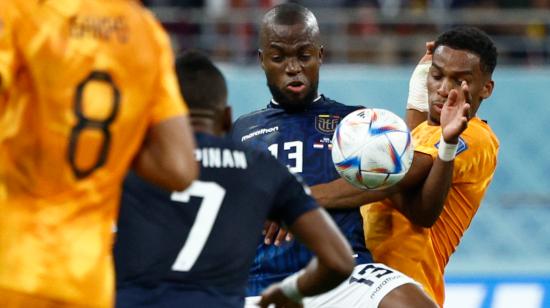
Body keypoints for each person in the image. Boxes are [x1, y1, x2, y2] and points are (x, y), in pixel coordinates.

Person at [231, 3, 469, 307]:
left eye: (304, 56)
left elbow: (419, 209)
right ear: (263, 61)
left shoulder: (358, 124)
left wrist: (445, 144)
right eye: (279, 58)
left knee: (411, 301)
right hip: (262, 283)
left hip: (347, 276)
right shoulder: (242, 130)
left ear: (320, 55)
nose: (293, 67)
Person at [114, 50, 355, 308]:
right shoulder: (264, 169)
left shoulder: (126, 166)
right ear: (228, 120)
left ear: (161, 116)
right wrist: (289, 292)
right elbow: (339, 261)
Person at [0, 1, 198, 307]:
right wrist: (121, 140)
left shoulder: (22, 12)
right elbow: (179, 168)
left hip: (12, 263)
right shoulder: (147, 33)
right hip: (88, 281)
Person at [360, 27, 500, 306]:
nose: (444, 89)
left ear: (485, 88)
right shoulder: (427, 131)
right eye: (437, 76)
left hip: (404, 287)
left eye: (459, 80)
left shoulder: (474, 135)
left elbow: (399, 174)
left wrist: (296, 201)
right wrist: (416, 94)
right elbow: (407, 152)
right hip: (367, 283)